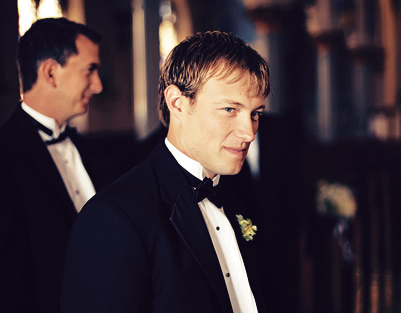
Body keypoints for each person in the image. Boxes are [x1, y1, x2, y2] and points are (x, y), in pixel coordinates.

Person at [61, 31, 270, 313]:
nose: (249, 133)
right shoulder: (114, 218)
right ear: (177, 103)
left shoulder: (233, 202)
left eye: (255, 113)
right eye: (230, 109)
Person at [0, 18, 103, 313]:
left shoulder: (83, 147)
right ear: (50, 73)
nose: (98, 85)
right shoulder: (5, 155)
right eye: (90, 70)